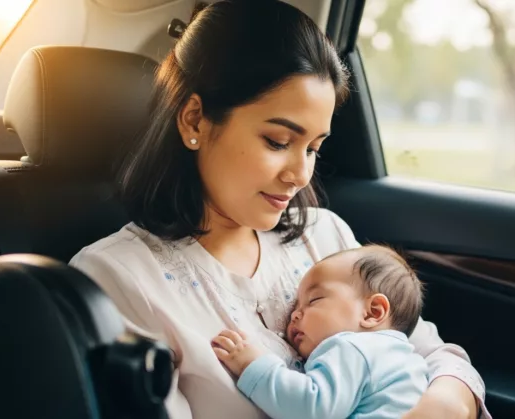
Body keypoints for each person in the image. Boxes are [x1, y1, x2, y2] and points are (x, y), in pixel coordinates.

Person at [69, 1, 490, 418]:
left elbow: (434, 354)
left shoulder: (326, 237)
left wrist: (445, 406)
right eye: (277, 142)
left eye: (312, 149)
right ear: (195, 120)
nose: (300, 174)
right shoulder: (117, 278)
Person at [212, 245, 429, 419]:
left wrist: (252, 366)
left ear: (372, 312)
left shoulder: (353, 349)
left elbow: (312, 407)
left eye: (314, 300)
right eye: (295, 306)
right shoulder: (408, 361)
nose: (295, 315)